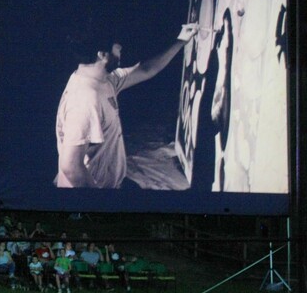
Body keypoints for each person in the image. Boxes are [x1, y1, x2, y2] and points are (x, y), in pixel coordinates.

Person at [54, 23, 200, 188]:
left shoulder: (105, 79)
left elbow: (146, 69)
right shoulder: (85, 99)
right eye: (116, 46)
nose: (120, 47)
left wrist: (181, 41)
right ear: (102, 54)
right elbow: (71, 168)